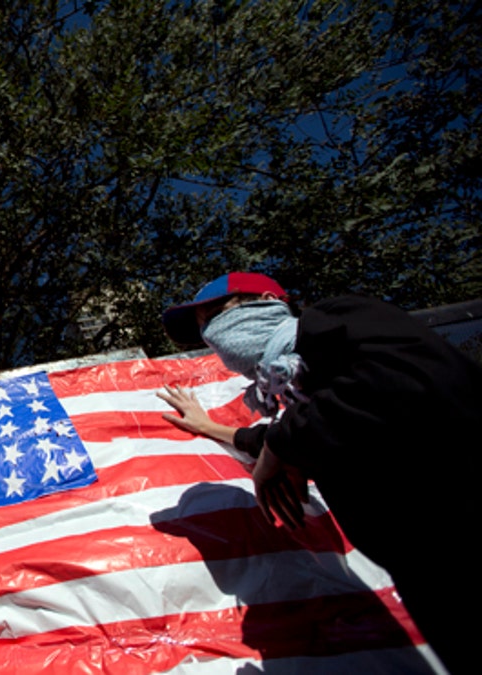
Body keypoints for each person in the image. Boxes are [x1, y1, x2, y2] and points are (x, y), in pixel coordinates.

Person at [158, 271, 480, 673]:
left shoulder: (337, 319)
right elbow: (281, 437)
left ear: (265, 301)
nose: (212, 335)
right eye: (205, 330)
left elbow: (398, 384)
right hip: (428, 575)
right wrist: (212, 428)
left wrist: (283, 443)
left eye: (216, 315)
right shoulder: (294, 403)